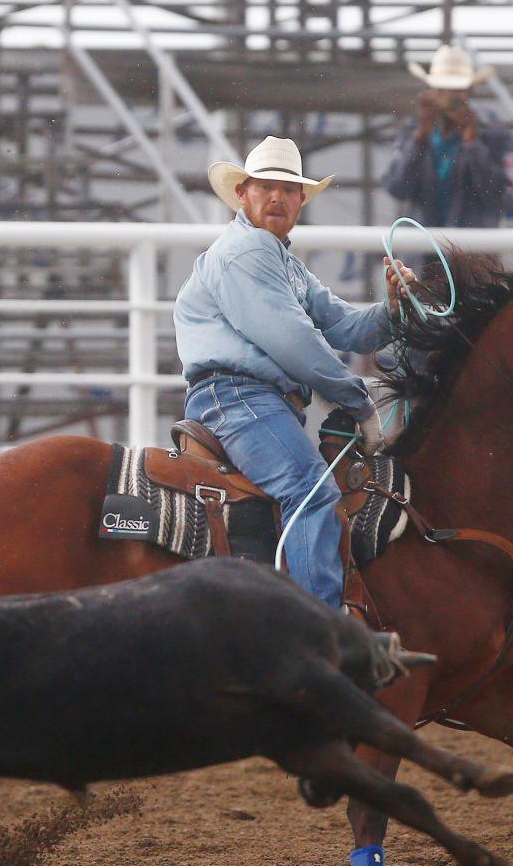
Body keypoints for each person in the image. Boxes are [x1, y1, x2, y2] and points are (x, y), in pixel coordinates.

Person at [177, 136, 413, 611]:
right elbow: (293, 341)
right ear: (243, 193)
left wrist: (390, 309)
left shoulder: (282, 262)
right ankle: (321, 631)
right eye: (266, 186)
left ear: (301, 201)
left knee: (306, 488)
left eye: (288, 189)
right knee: (309, 490)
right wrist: (357, 399)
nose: (277, 197)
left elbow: (347, 327)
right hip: (238, 399)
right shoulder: (249, 254)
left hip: (247, 401)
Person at [381, 44, 513, 229]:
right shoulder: (412, 134)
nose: (449, 98)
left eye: (456, 91)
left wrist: (472, 142)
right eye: (443, 90)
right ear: (432, 93)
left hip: (472, 252)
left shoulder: (496, 138)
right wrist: (420, 137)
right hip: (422, 250)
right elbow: (396, 188)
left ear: (469, 92)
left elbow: (503, 196)